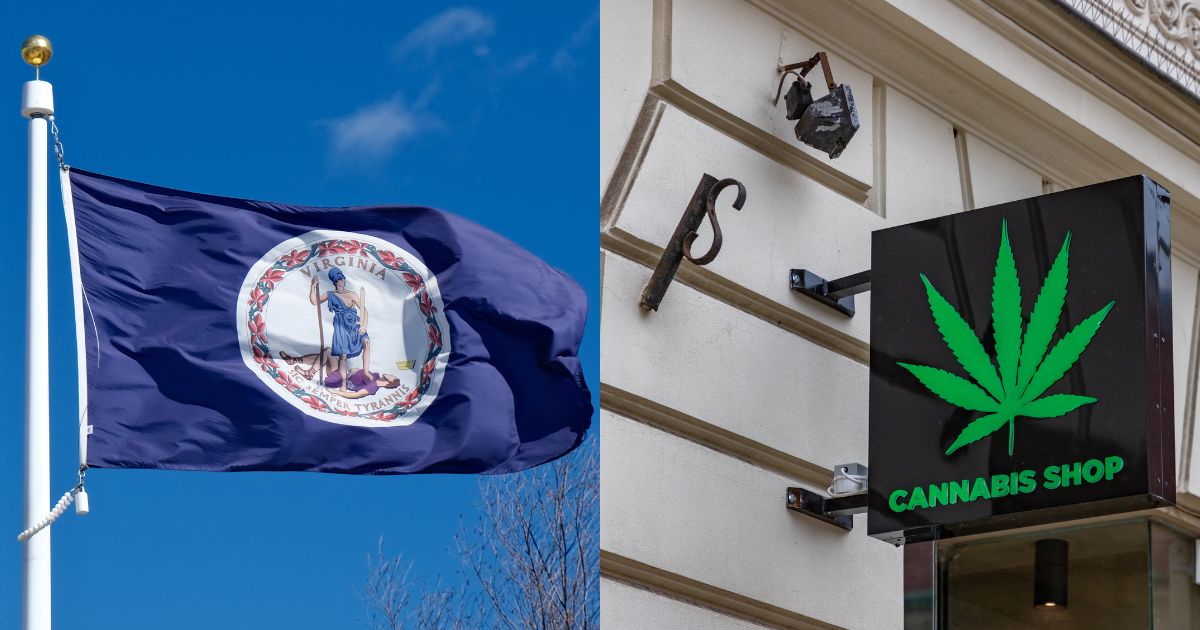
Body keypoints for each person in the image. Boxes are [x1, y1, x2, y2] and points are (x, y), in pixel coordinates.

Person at [309, 267, 371, 393]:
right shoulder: (330, 294)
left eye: (343, 278)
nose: (343, 280)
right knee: (343, 356)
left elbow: (364, 310)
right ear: (335, 281)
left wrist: (364, 325)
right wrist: (313, 287)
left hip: (354, 324)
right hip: (341, 327)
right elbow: (314, 302)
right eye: (340, 279)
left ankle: (366, 371)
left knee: (367, 343)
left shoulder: (352, 294)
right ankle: (343, 383)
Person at [280, 347, 402, 400]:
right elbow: (360, 375)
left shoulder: (374, 385)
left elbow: (355, 395)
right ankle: (295, 360)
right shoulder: (376, 376)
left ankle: (309, 373)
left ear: (390, 381)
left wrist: (335, 392)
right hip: (343, 372)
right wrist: (357, 370)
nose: (392, 374)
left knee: (327, 352)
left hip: (338, 378)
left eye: (394, 376)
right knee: (327, 354)